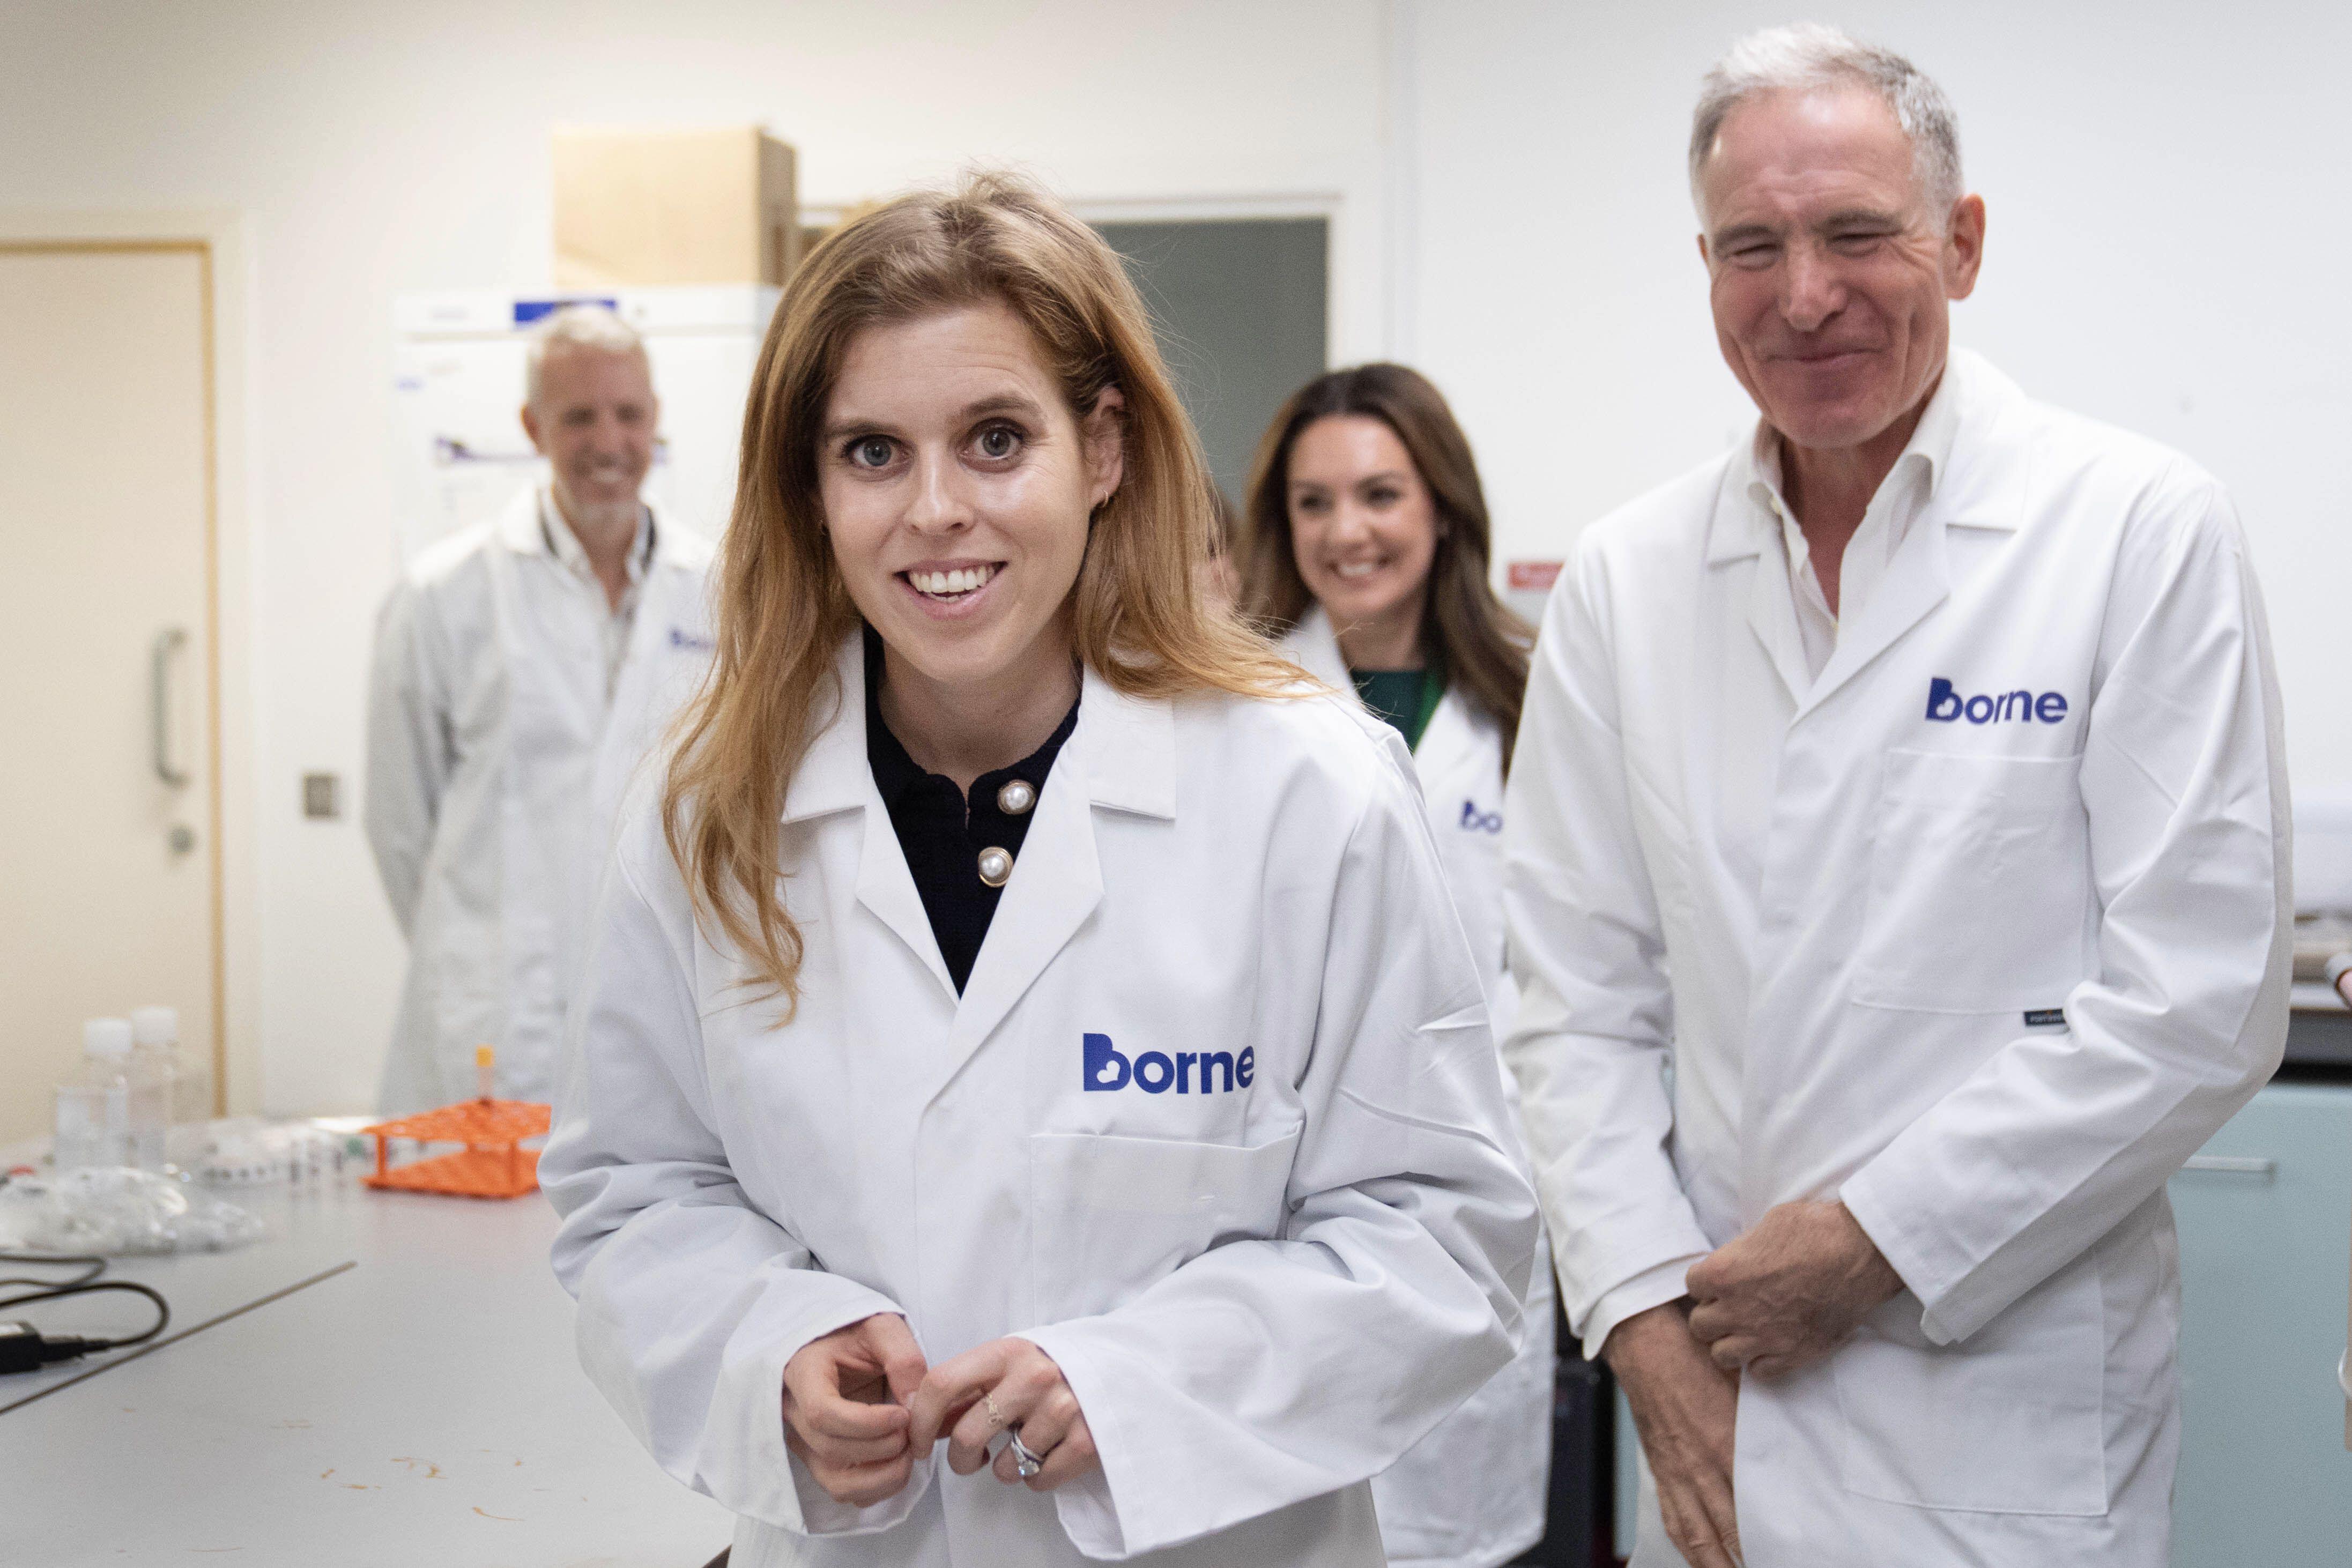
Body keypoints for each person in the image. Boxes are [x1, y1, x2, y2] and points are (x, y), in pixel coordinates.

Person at [539, 172, 1539, 1568]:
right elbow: (634, 1190)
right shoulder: (712, 806)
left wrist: (1134, 1387)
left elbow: (1445, 1232)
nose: (935, 509)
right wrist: (774, 1343)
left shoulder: (1306, 788)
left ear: (1105, 447)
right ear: (809, 486)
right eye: (872, 452)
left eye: (996, 439)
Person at [1502, 24, 2288, 1568]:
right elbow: (1570, 1002)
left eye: (1857, 232)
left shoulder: (2131, 529)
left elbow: (2195, 989)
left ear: (1963, 242)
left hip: (2001, 1400)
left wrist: (1869, 1240)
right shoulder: (1625, 579)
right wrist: (1645, 1329)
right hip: (1712, 1390)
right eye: (1751, 247)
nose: (1802, 295)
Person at [1241, 362, 1552, 1568]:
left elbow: (1576, 976)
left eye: (1378, 493)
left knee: (1457, 1537)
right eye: (1313, 503)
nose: (1346, 531)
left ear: (1440, 508)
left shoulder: (1531, 700)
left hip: (1482, 1184)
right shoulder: (1236, 696)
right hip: (1285, 1210)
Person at [364, 304, 715, 1111]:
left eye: (628, 414)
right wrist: (479, 944)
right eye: (579, 416)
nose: (608, 442)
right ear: (533, 426)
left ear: (655, 420)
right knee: (466, 1233)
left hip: (663, 997)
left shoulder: (717, 594)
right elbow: (398, 824)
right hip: (494, 1010)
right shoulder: (443, 594)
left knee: (651, 1214)